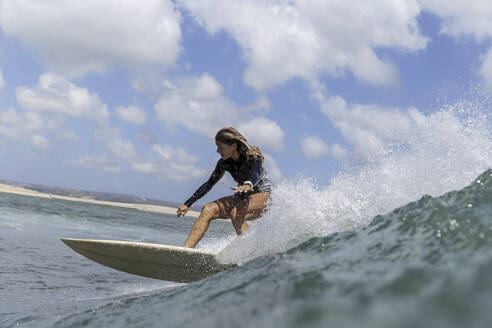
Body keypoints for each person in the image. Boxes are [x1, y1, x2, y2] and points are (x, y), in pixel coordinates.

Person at [176, 127, 272, 248]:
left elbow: (256, 174)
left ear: (233, 146)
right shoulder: (224, 163)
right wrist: (188, 204)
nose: (217, 151)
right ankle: (186, 251)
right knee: (208, 209)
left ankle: (252, 251)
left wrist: (248, 184)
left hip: (264, 197)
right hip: (243, 198)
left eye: (220, 147)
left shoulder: (252, 156)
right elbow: (209, 184)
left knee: (236, 212)